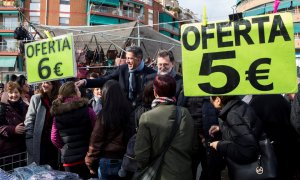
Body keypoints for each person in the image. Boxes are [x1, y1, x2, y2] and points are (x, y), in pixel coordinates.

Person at [134, 75, 194, 180]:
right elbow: (194, 146)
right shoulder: (185, 113)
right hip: (184, 172)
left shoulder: (147, 117)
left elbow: (141, 155)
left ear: (155, 92)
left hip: (158, 174)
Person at [75, 46, 156, 108]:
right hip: (124, 112)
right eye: (126, 58)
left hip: (141, 113)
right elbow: (105, 79)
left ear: (139, 59)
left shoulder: (151, 74)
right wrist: (85, 82)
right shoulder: (122, 69)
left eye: (130, 58)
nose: (127, 61)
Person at [85, 80, 134, 179]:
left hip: (107, 160)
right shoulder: (129, 111)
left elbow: (96, 141)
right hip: (125, 159)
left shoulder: (104, 115)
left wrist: (90, 163)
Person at [50, 81, 96, 179]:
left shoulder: (57, 115)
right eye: (78, 89)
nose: (80, 92)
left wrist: (65, 147)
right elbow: (96, 132)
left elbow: (54, 138)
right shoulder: (88, 110)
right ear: (74, 92)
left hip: (69, 159)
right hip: (87, 156)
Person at [209, 96, 262, 179]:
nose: (211, 102)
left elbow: (247, 152)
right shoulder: (239, 105)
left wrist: (219, 145)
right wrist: (221, 128)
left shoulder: (233, 114)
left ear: (218, 100)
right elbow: (243, 128)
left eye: (211, 99)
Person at [249, 94, 297, 179]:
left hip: (267, 147)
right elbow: (292, 118)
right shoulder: (280, 98)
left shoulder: (254, 102)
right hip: (286, 143)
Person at [24, 81, 61, 169]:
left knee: (54, 168)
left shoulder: (59, 100)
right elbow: (29, 119)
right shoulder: (36, 98)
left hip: (54, 141)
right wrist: (30, 138)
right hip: (40, 141)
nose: (44, 85)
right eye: (43, 83)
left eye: (47, 83)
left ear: (54, 85)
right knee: (40, 168)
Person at [0, 81, 28, 169]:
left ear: (19, 93)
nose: (13, 95)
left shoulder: (25, 106)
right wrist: (13, 130)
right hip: (7, 151)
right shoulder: (2, 108)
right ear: (6, 94)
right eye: (10, 92)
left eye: (16, 92)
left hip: (22, 149)